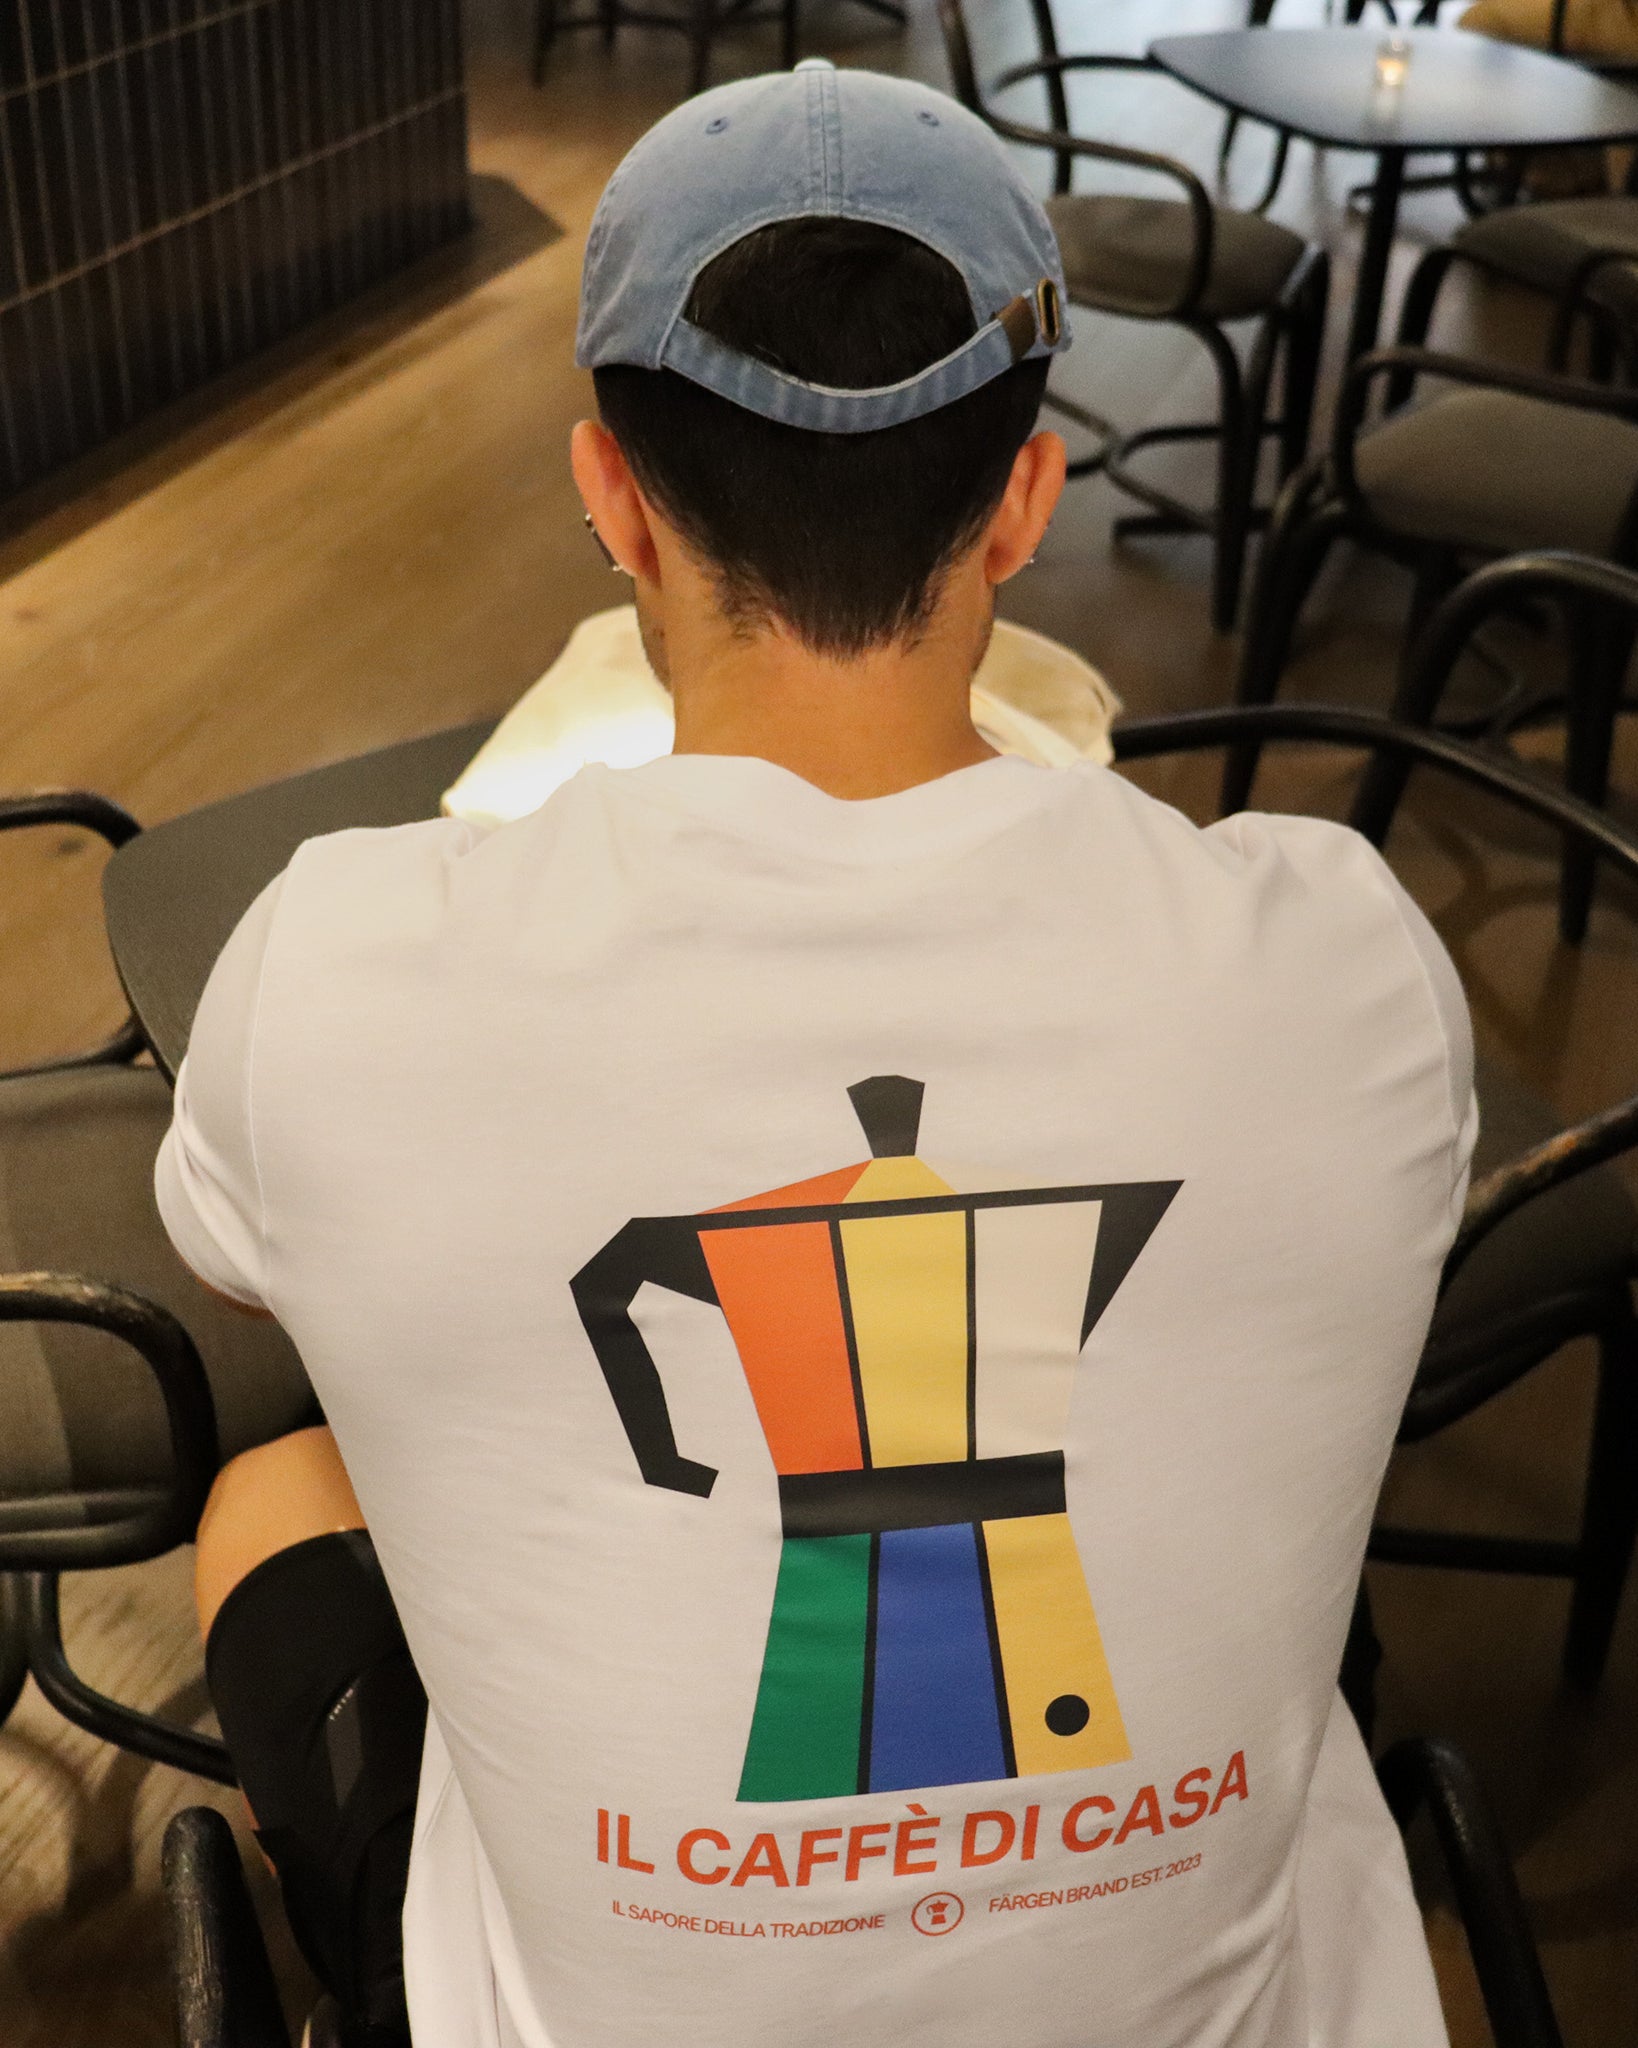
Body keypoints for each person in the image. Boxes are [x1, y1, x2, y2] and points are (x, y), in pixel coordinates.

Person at [158, 59, 1477, 2048]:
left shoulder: (341, 956)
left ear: (615, 497)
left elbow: (239, 1261)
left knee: (277, 1474)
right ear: (1026, 497)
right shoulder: (1351, 954)